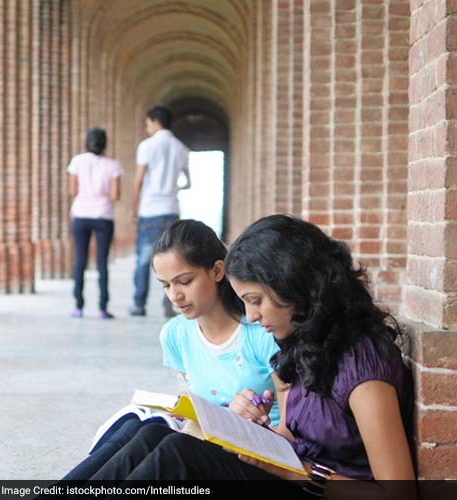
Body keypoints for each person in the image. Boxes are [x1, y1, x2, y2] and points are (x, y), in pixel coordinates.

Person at [77, 215, 415, 494]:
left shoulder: (363, 369)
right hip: (290, 475)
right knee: (153, 432)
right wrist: (253, 432)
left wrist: (300, 471)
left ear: (294, 286)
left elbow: (398, 494)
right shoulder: (309, 344)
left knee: (177, 457)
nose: (251, 316)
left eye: (256, 301)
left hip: (314, 488)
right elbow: (302, 437)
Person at [60, 219, 280, 480]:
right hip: (207, 441)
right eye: (165, 285)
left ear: (218, 270)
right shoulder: (176, 334)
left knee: (170, 446)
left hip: (255, 454)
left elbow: (292, 426)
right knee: (143, 430)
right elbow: (200, 400)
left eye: (184, 281)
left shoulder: (262, 332)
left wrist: (246, 416)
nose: (174, 295)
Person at [129, 106, 191, 318]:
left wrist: (134, 210)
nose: (147, 127)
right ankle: (169, 303)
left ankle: (138, 303)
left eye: (147, 122)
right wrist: (173, 188)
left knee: (144, 260)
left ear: (156, 121)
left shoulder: (147, 146)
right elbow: (188, 182)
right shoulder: (181, 148)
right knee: (172, 260)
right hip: (171, 209)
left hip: (150, 209)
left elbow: (138, 180)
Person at [67, 128, 123, 319]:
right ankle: (102, 308)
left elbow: (73, 191)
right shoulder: (113, 165)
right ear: (104, 143)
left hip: (81, 214)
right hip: (103, 215)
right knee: (102, 263)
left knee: (80, 261)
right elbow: (115, 195)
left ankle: (79, 306)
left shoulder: (77, 161)